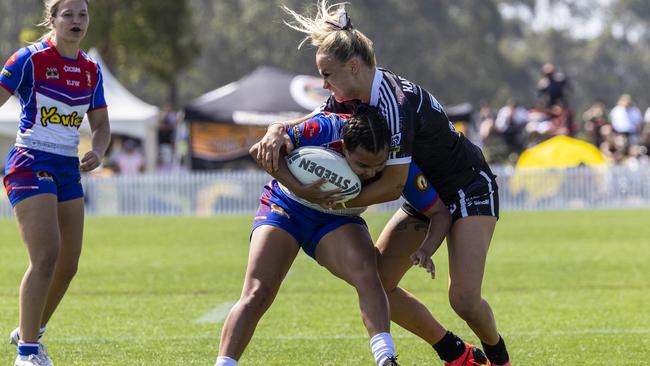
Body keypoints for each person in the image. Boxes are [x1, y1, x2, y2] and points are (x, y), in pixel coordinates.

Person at [257, 2, 511, 365]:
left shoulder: (395, 100)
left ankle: (499, 358)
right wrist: (277, 129)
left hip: (466, 187)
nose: (325, 84)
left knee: (464, 300)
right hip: (423, 196)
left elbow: (392, 185)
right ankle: (457, 353)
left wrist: (331, 201)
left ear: (354, 66)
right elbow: (315, 118)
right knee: (375, 285)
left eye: (327, 75)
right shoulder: (350, 93)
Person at [216, 107, 401, 366]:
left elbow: (396, 186)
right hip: (286, 203)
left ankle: (386, 359)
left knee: (367, 273)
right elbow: (259, 152)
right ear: (344, 147)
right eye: (362, 165)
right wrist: (300, 189)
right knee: (258, 290)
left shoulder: (395, 144)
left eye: (378, 165)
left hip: (338, 216)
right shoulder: (322, 129)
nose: (371, 172)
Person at [0, 1, 110, 365]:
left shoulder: (92, 70)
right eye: (68, 15)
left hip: (67, 168)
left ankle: (30, 332)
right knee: (45, 256)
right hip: (30, 161)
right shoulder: (29, 59)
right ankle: (27, 353)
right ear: (53, 19)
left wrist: (97, 149)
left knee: (68, 265)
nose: (77, 21)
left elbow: (102, 126)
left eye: (83, 14)